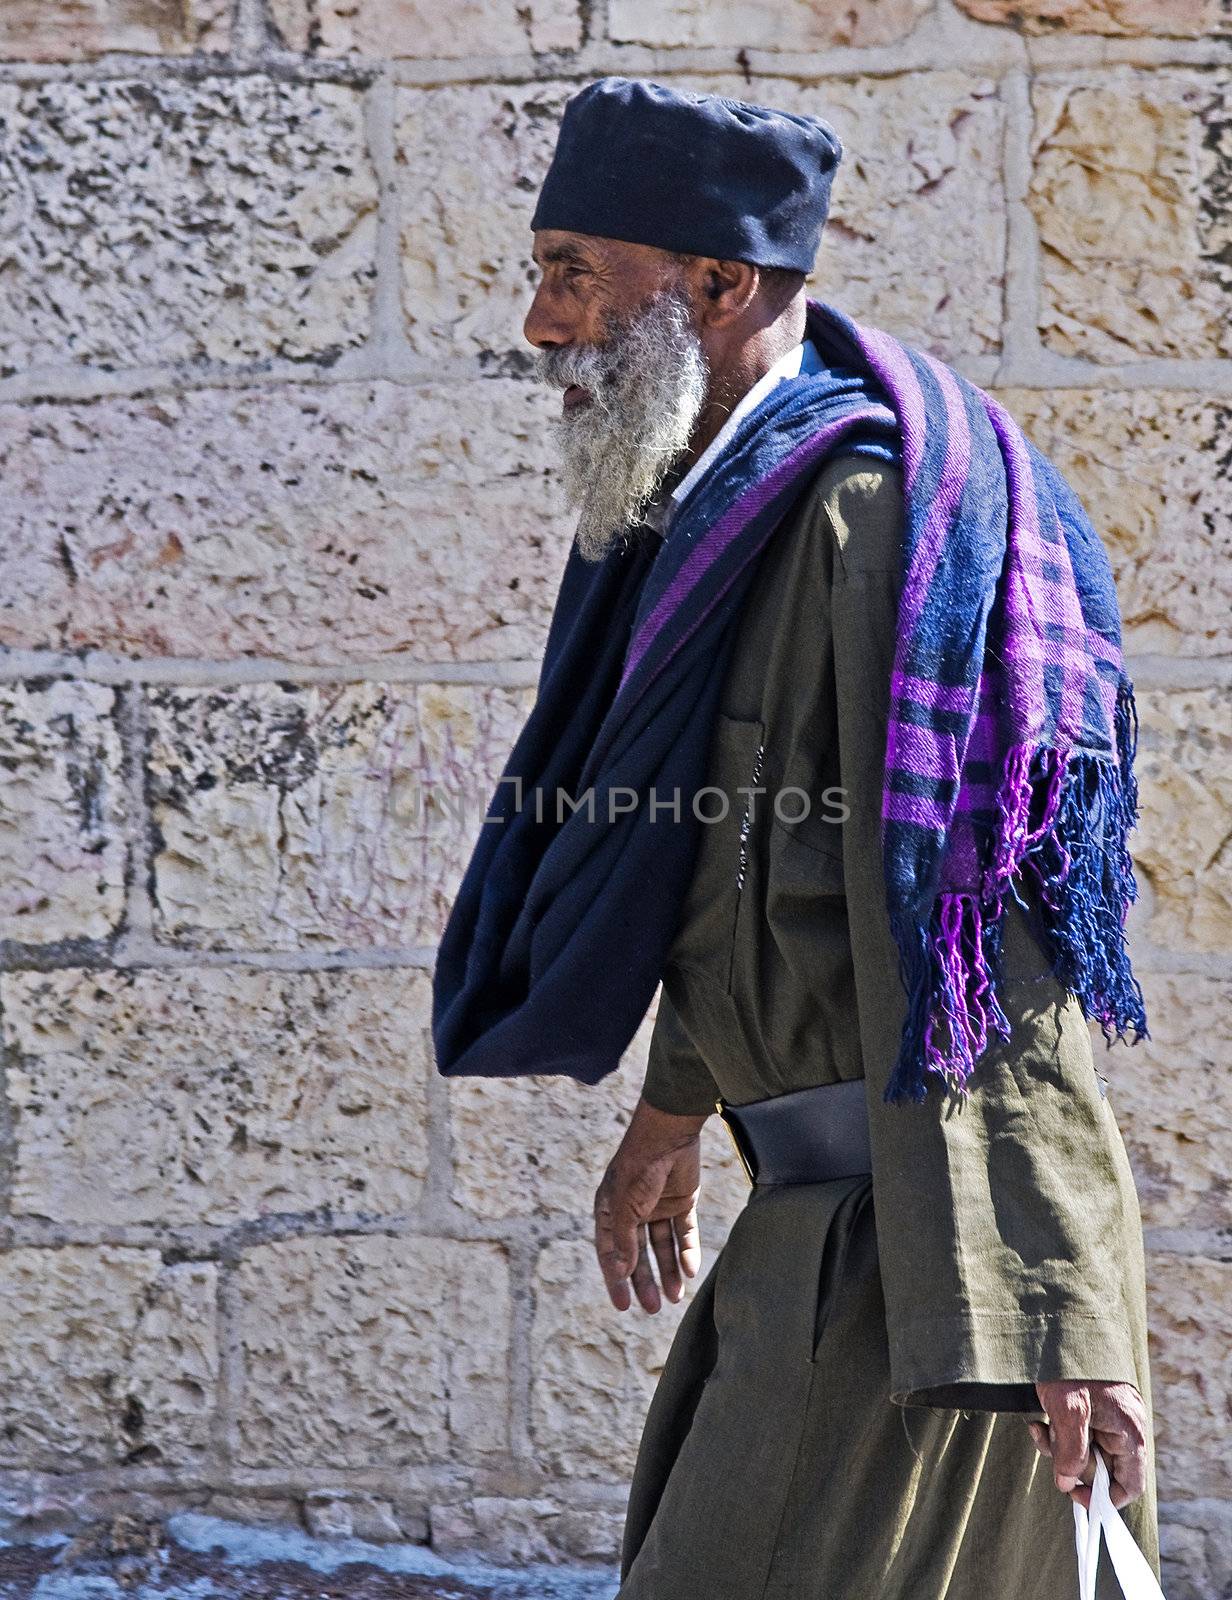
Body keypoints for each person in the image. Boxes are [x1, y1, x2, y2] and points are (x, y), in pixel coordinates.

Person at [433, 76, 1157, 1598]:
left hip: (938, 1267)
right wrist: (675, 1110)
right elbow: (754, 878)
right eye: (540, 271)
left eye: (575, 270)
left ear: (717, 282)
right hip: (818, 1231)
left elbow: (985, 939)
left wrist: (1059, 1313)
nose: (541, 324)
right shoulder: (714, 526)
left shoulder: (874, 527)